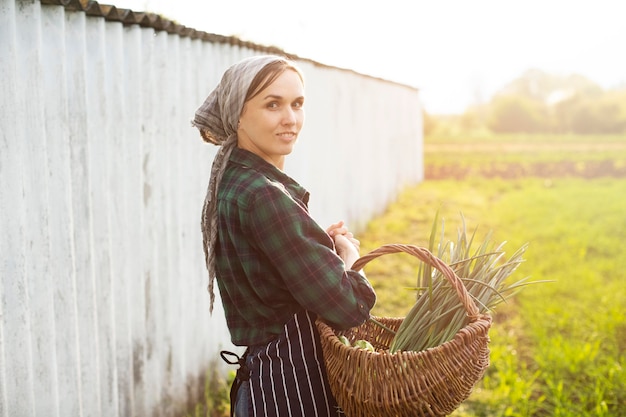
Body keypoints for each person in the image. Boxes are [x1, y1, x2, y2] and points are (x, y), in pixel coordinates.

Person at [191, 54, 376, 417]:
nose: (290, 118)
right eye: (272, 104)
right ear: (238, 114)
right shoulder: (264, 194)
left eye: (297, 104)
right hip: (291, 388)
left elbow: (263, 266)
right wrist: (349, 255)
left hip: (267, 380)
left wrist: (314, 244)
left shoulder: (236, 180)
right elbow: (350, 307)